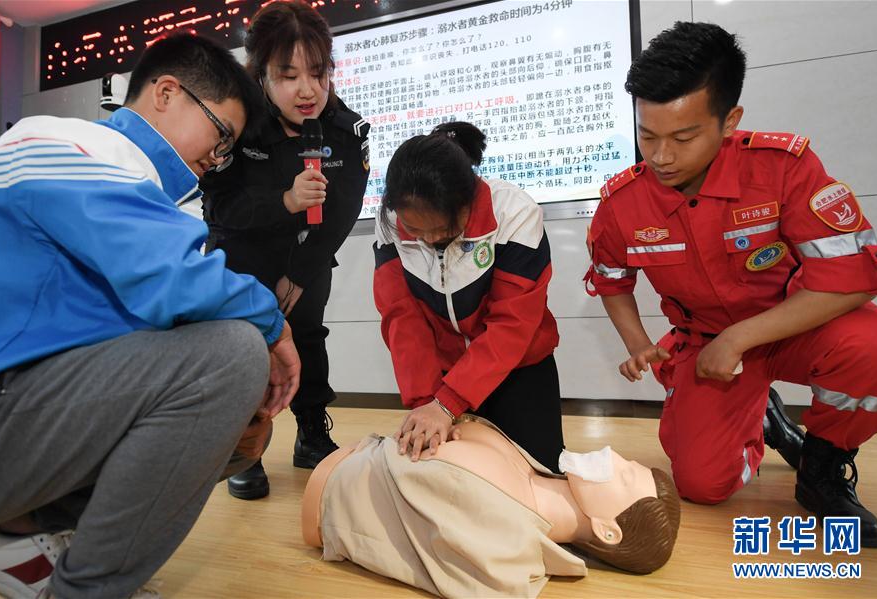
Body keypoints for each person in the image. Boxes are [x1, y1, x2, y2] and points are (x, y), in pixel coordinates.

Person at [0, 33, 300, 598]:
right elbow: (170, 280)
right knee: (228, 358)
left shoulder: (139, 187)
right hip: (2, 408)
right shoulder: (63, 141)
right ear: (165, 93)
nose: (216, 158)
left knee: (236, 416)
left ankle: (17, 539)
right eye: (220, 135)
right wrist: (272, 326)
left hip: (20, 410)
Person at [585, 21, 877, 547]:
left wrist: (740, 337)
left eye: (683, 137)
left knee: (876, 346)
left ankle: (822, 470)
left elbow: (857, 279)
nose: (660, 157)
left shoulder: (783, 170)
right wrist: (638, 344)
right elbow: (611, 278)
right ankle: (760, 422)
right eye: (647, 135)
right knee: (702, 485)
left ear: (730, 121)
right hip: (704, 345)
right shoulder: (621, 204)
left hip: (796, 326)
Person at [200, 0, 370, 499]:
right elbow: (221, 210)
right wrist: (285, 200)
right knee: (246, 348)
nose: (307, 90)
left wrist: (298, 273)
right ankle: (243, 450)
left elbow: (341, 213)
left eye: (317, 73)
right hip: (243, 259)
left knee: (309, 338)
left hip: (309, 259)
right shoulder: (238, 127)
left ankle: (312, 432)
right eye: (288, 74)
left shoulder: (346, 129)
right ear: (262, 75)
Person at [301, 417, 680, 597]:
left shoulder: (506, 534)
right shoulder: (535, 474)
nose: (613, 456)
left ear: (606, 530)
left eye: (625, 477)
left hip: (326, 494)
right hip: (353, 460)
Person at [373, 122, 565, 472]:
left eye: (442, 229)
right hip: (441, 371)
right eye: (415, 230)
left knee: (539, 472)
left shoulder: (514, 214)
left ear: (469, 201)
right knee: (444, 470)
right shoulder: (389, 222)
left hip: (519, 368)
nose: (428, 240)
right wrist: (426, 402)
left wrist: (448, 403)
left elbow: (511, 326)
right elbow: (402, 317)